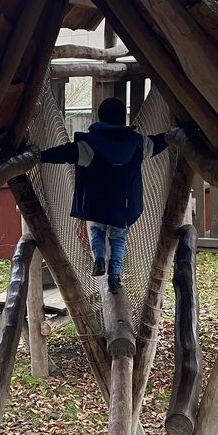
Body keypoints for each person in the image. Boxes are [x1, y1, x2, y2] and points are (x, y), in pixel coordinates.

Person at [40, 96, 169, 292]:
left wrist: (40, 155)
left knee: (97, 230)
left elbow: (64, 153)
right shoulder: (138, 144)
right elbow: (159, 142)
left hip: (97, 204)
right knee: (118, 239)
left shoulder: (88, 145)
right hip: (124, 207)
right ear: (123, 119)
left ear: (100, 117)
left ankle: (99, 259)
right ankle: (115, 277)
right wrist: (173, 134)